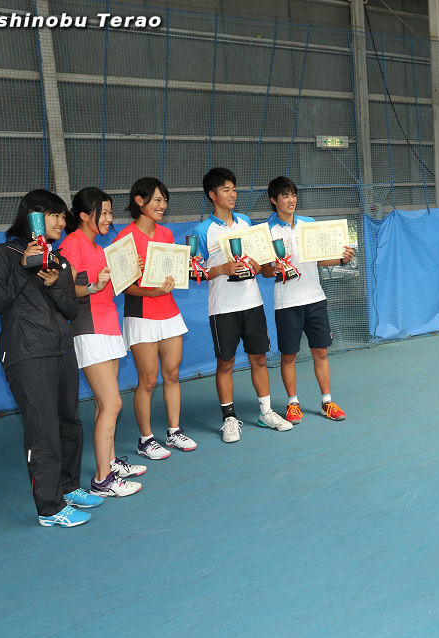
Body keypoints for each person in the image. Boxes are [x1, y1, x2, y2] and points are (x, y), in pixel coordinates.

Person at [0, 189, 104, 527]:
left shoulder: (59, 260)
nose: (62, 222)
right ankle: (49, 509)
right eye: (56, 216)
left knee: (69, 422)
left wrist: (54, 285)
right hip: (26, 354)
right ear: (34, 216)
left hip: (62, 350)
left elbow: (69, 309)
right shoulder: (2, 254)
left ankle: (69, 487)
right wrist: (25, 269)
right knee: (43, 429)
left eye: (64, 217)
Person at [193, 167, 292, 442]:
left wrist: (259, 266)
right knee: (225, 363)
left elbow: (259, 264)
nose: (233, 194)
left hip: (252, 303)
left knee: (259, 358)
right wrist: (222, 269)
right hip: (222, 308)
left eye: (234, 189)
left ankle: (266, 412)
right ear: (212, 195)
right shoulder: (203, 231)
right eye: (226, 190)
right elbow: (194, 272)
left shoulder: (246, 223)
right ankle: (229, 419)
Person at [60, 187, 144, 498]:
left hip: (109, 327)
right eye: (103, 213)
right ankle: (102, 480)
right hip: (89, 329)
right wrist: (94, 287)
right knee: (113, 404)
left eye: (110, 212)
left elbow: (107, 288)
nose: (109, 219)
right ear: (84, 215)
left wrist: (130, 272)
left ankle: (110, 463)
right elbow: (66, 288)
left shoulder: (100, 248)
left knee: (102, 404)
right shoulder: (72, 243)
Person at [114, 177, 198, 460]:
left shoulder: (166, 234)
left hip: (169, 312)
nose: (162, 206)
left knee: (172, 374)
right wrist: (152, 292)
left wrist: (183, 272)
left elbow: (170, 274)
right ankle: (146, 440)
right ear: (140, 201)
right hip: (141, 315)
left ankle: (174, 432)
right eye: (157, 200)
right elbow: (125, 287)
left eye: (164, 201)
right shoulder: (124, 238)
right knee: (148, 380)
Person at [266, 176, 354, 424]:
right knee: (288, 356)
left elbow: (318, 259)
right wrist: (272, 269)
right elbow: (263, 269)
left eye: (293, 195)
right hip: (286, 303)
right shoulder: (266, 231)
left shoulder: (309, 224)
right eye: (285, 195)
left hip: (315, 299)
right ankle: (293, 404)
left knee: (321, 352)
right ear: (274, 200)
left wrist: (342, 259)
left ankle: (327, 402)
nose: (291, 200)